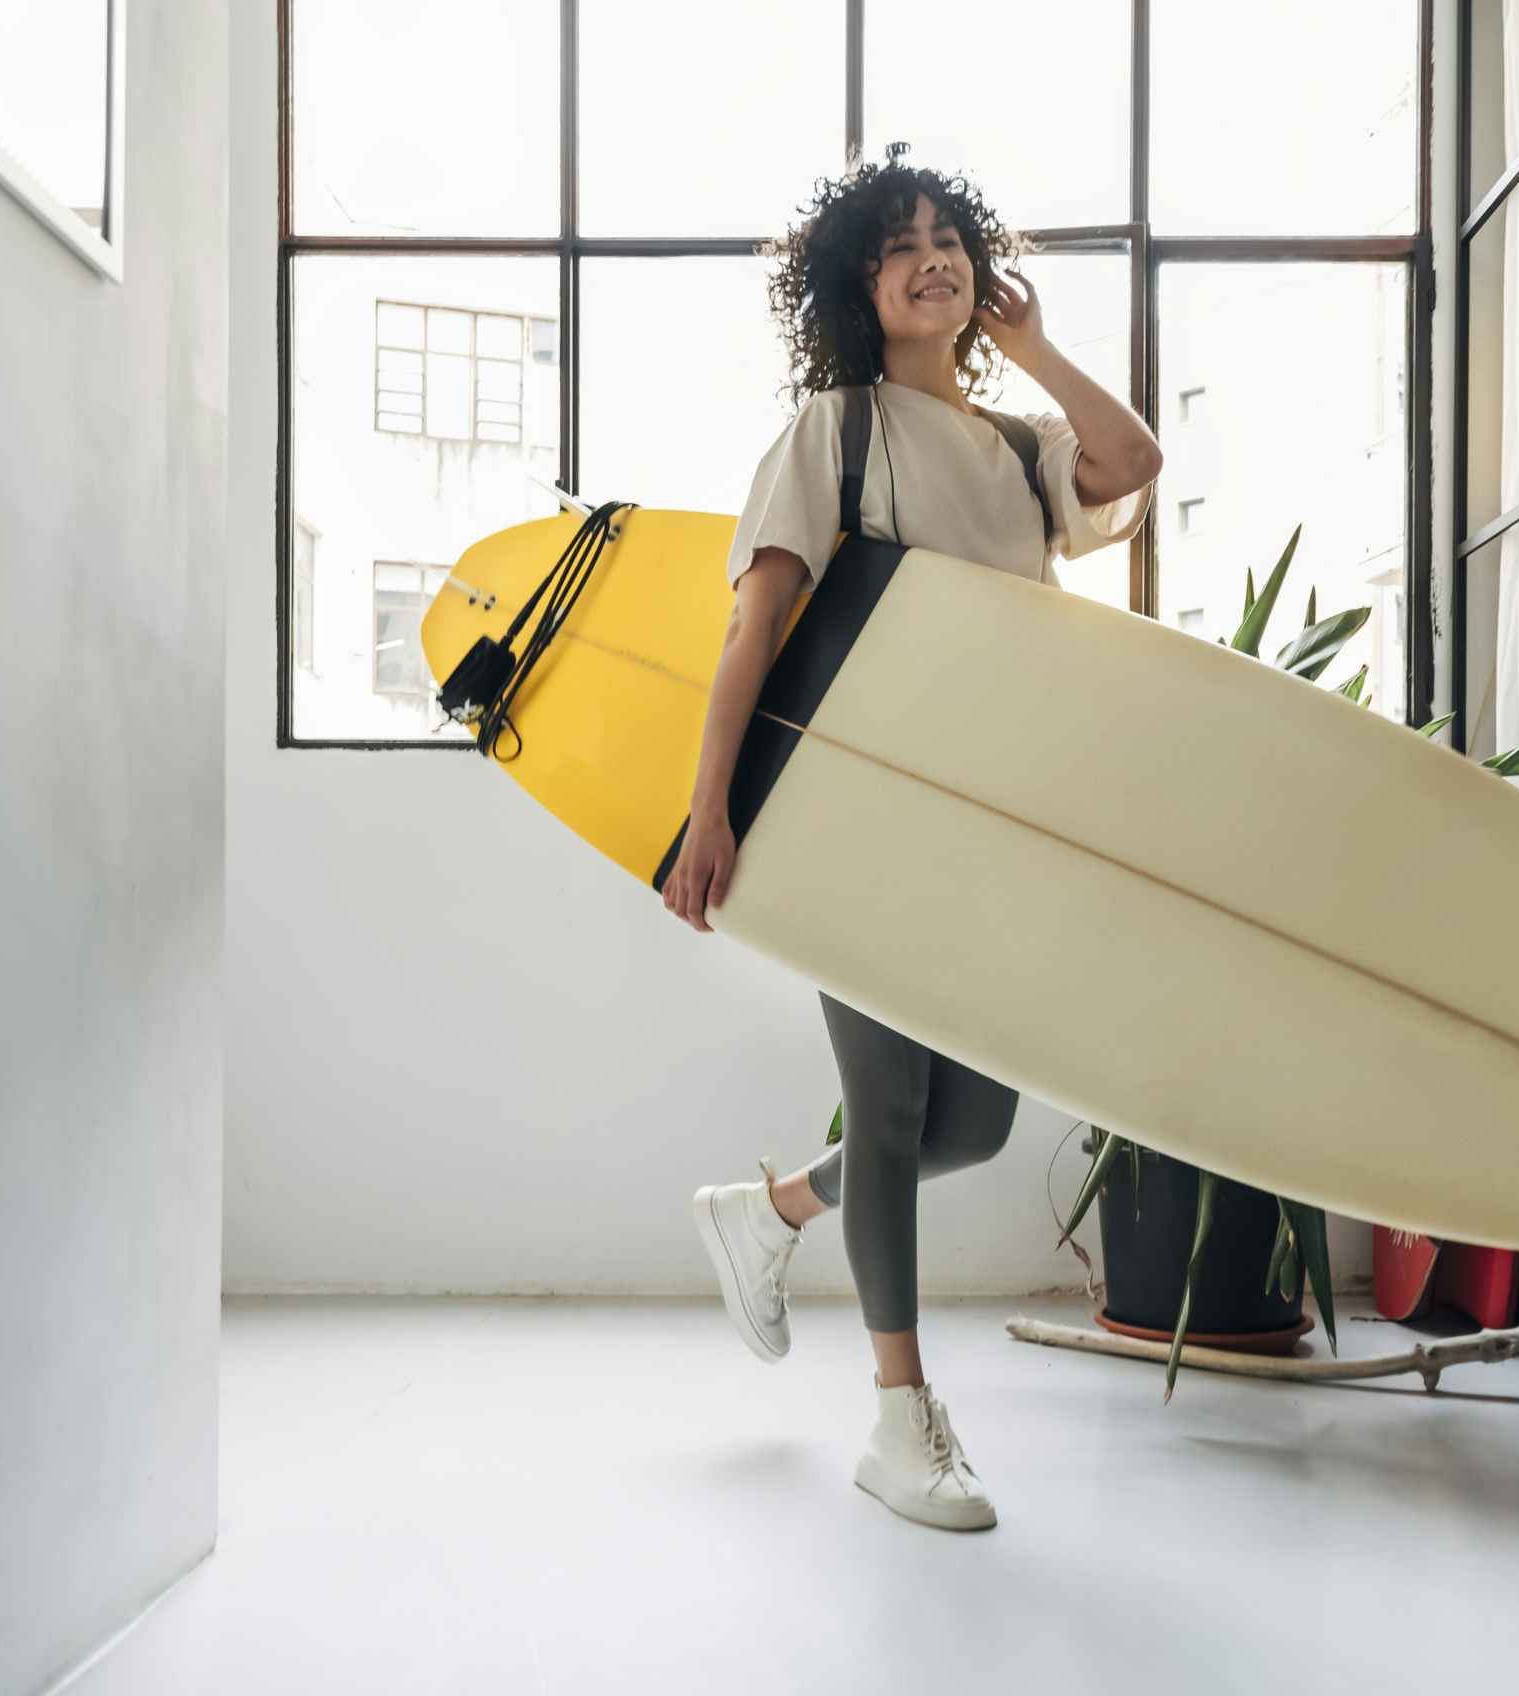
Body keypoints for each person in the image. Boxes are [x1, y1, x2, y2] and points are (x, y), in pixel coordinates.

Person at [661, 148, 1162, 1532]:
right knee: (887, 1112)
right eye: (901, 247)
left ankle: (765, 1214)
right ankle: (900, 1420)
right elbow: (753, 630)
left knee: (977, 1124)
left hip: (992, 826)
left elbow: (1134, 461)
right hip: (860, 813)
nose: (931, 259)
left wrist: (1036, 349)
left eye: (949, 239)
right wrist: (710, 815)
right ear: (857, 286)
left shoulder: (1016, 450)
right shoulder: (841, 430)